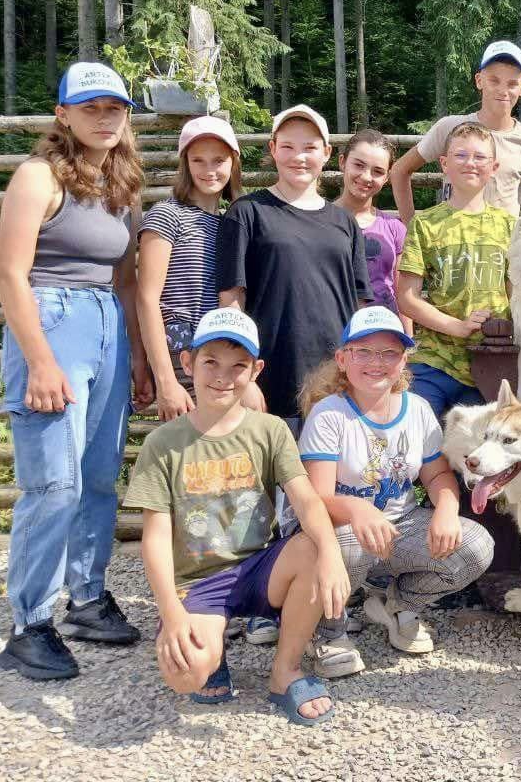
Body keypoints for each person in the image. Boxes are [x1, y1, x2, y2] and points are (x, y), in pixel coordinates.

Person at [0, 62, 153, 680]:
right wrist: (39, 359)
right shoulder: (39, 177)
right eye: (90, 108)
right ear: (63, 114)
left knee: (97, 476)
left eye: (114, 107)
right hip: (51, 318)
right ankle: (29, 623)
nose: (104, 117)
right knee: (53, 482)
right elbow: (10, 274)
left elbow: (125, 277)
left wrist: (136, 356)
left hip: (106, 323)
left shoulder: (121, 184)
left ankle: (86, 598)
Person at [123, 309, 352, 726]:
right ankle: (211, 649)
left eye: (238, 366)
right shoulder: (163, 443)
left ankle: (285, 672)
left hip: (260, 567)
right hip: (199, 581)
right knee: (186, 674)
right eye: (211, 362)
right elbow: (155, 538)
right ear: (188, 362)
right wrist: (172, 613)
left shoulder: (269, 430)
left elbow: (305, 498)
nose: (223, 377)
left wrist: (332, 554)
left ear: (256, 370)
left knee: (314, 547)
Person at [290, 306, 495, 677]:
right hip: (341, 531)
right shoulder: (330, 414)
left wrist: (447, 509)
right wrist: (356, 508)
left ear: (404, 361)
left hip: (400, 524)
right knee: (350, 542)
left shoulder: (417, 409)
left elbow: (437, 477)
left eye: (389, 353)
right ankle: (328, 631)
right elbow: (315, 499)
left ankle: (398, 605)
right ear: (342, 359)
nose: (376, 362)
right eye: (363, 352)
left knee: (475, 546)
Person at [216, 104, 373, 426]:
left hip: (337, 383)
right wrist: (242, 375)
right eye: (287, 146)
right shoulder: (246, 213)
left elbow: (358, 308)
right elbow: (231, 303)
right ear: (273, 149)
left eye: (309, 148)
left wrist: (362, 372)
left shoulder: (344, 222)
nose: (298, 157)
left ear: (327, 153)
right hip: (270, 380)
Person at [397, 122, 515, 417]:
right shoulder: (425, 224)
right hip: (434, 360)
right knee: (415, 437)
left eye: (480, 157)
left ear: (494, 166)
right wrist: (458, 327)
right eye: (461, 156)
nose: (470, 163)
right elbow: (407, 298)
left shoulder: (511, 226)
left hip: (493, 363)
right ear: (444, 164)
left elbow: (518, 295)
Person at [138, 116, 243, 421]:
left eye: (218, 160)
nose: (209, 169)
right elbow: (147, 299)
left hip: (221, 360)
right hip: (179, 360)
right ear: (185, 163)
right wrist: (165, 380)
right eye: (198, 160)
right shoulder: (167, 215)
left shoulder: (230, 223)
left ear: (233, 163)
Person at [391, 40, 521, 223]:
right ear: (479, 81)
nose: (503, 90)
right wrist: (410, 227)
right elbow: (400, 170)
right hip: (449, 245)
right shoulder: (449, 127)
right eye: (494, 80)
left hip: (502, 248)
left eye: (512, 84)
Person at [335, 130, 408, 318]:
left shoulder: (395, 229)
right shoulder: (316, 221)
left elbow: (403, 295)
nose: (367, 177)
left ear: (386, 178)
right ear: (342, 162)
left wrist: (407, 341)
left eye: (377, 171)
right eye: (359, 165)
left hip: (385, 335)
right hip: (334, 330)